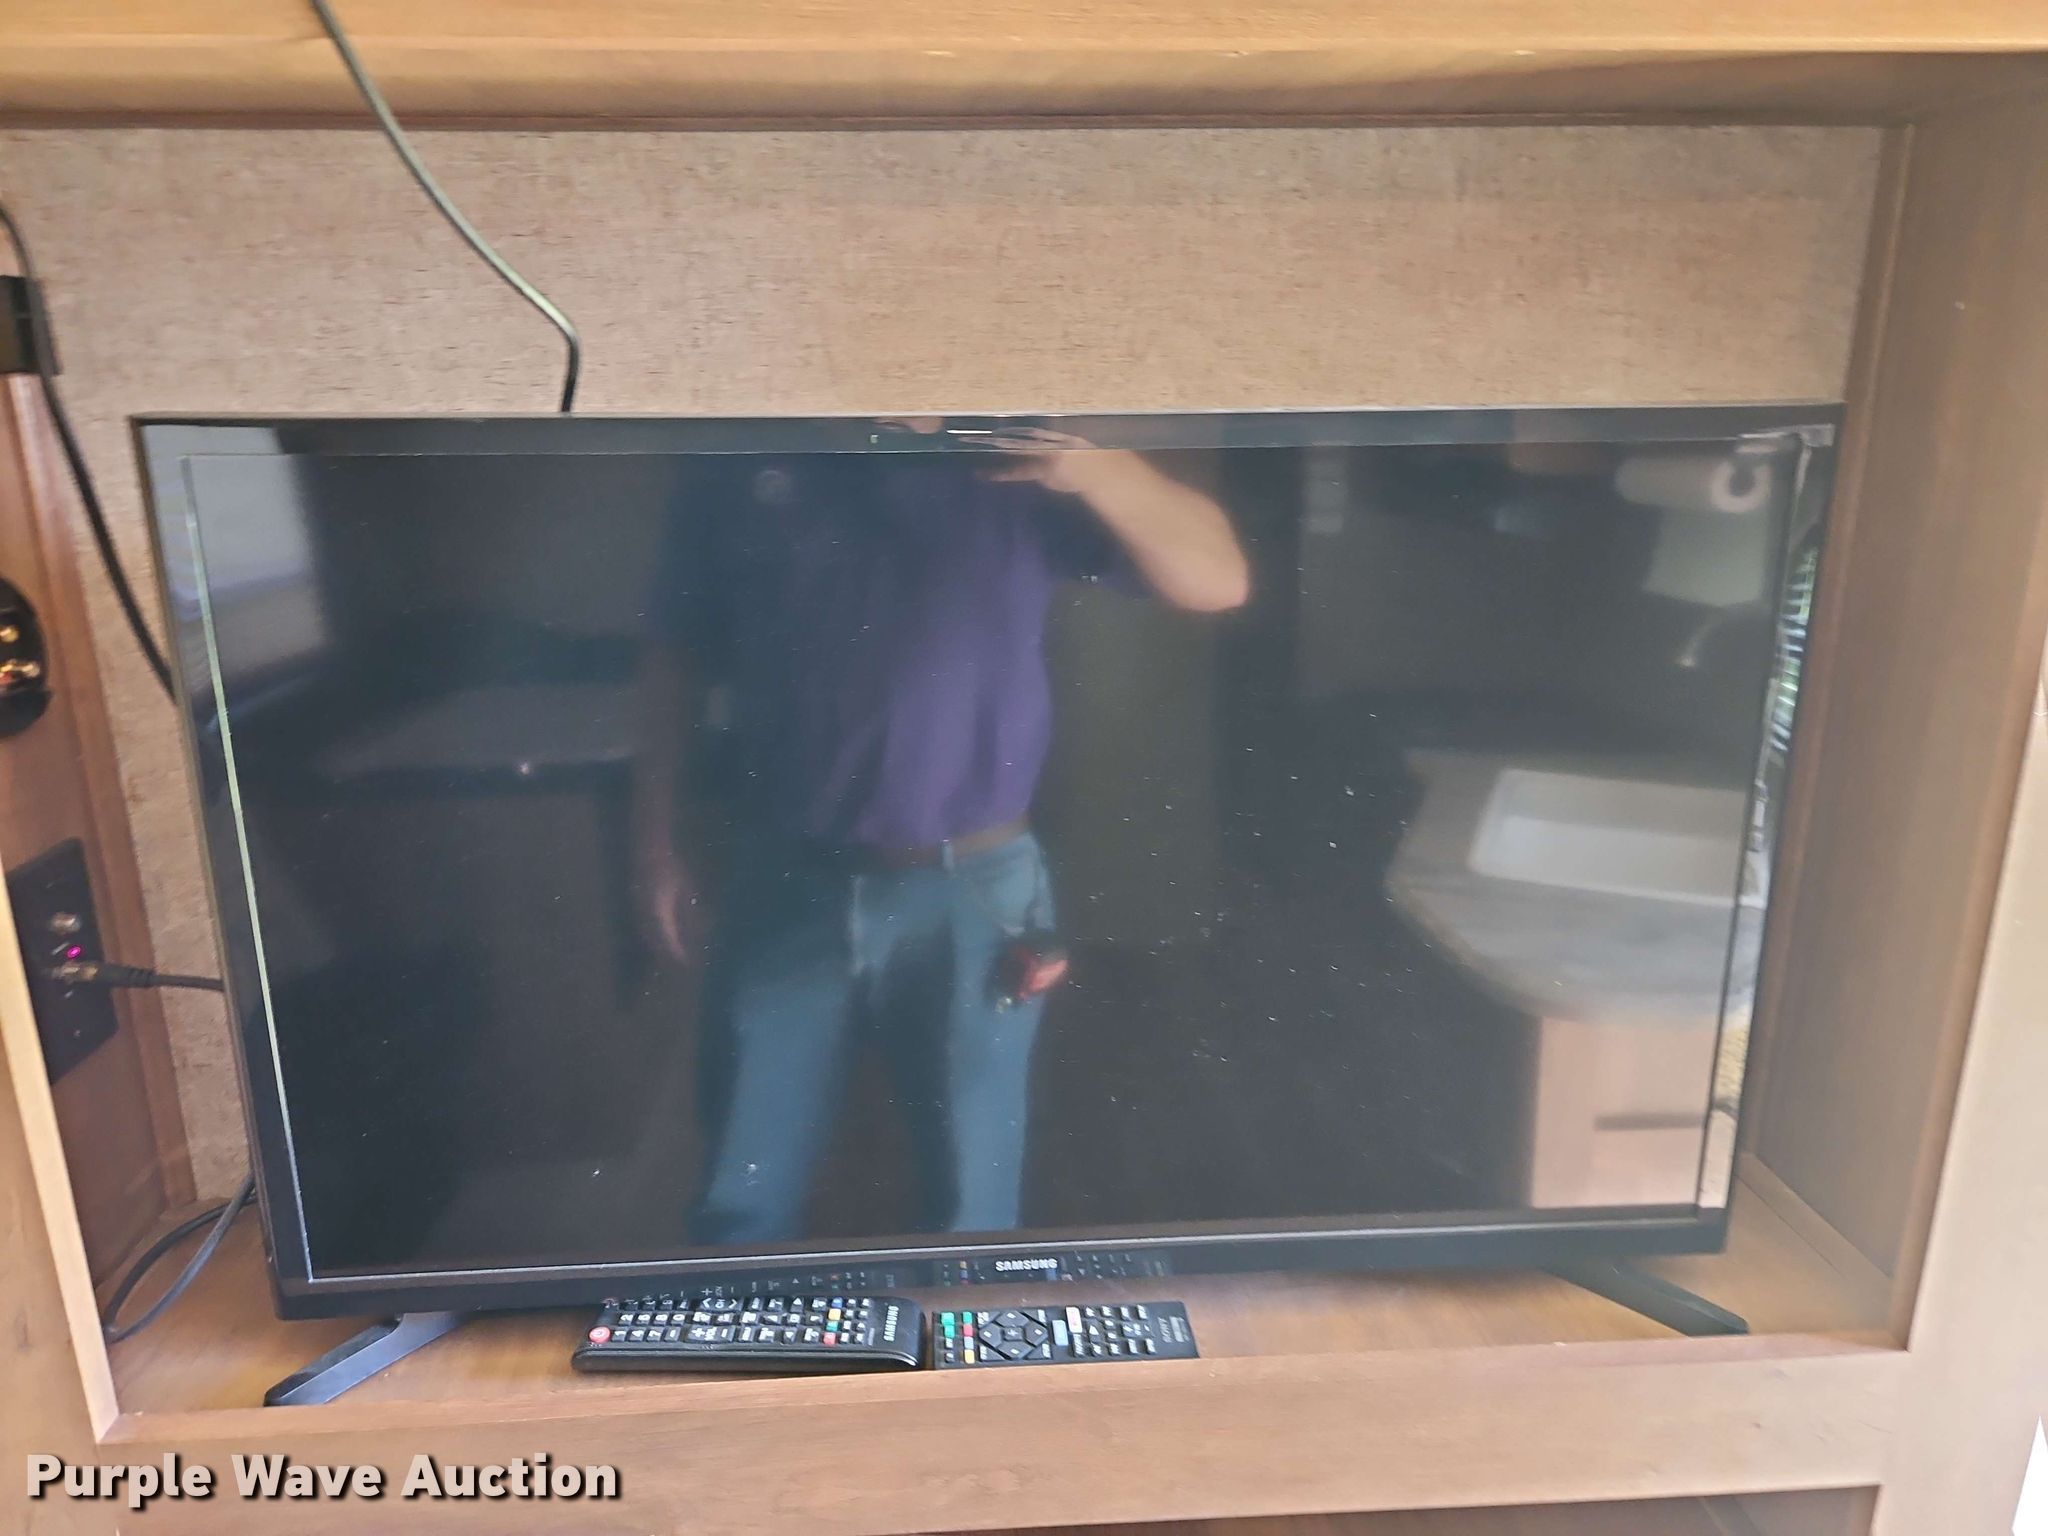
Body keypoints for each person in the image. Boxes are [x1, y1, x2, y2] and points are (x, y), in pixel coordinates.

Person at [633, 422, 1248, 1243]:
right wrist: (654, 840)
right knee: (739, 1201)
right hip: (781, 879)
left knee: (971, 1216)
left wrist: (1103, 470)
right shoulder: (741, 452)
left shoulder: (1015, 459)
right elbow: (672, 650)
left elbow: (1221, 580)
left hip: (976, 892)